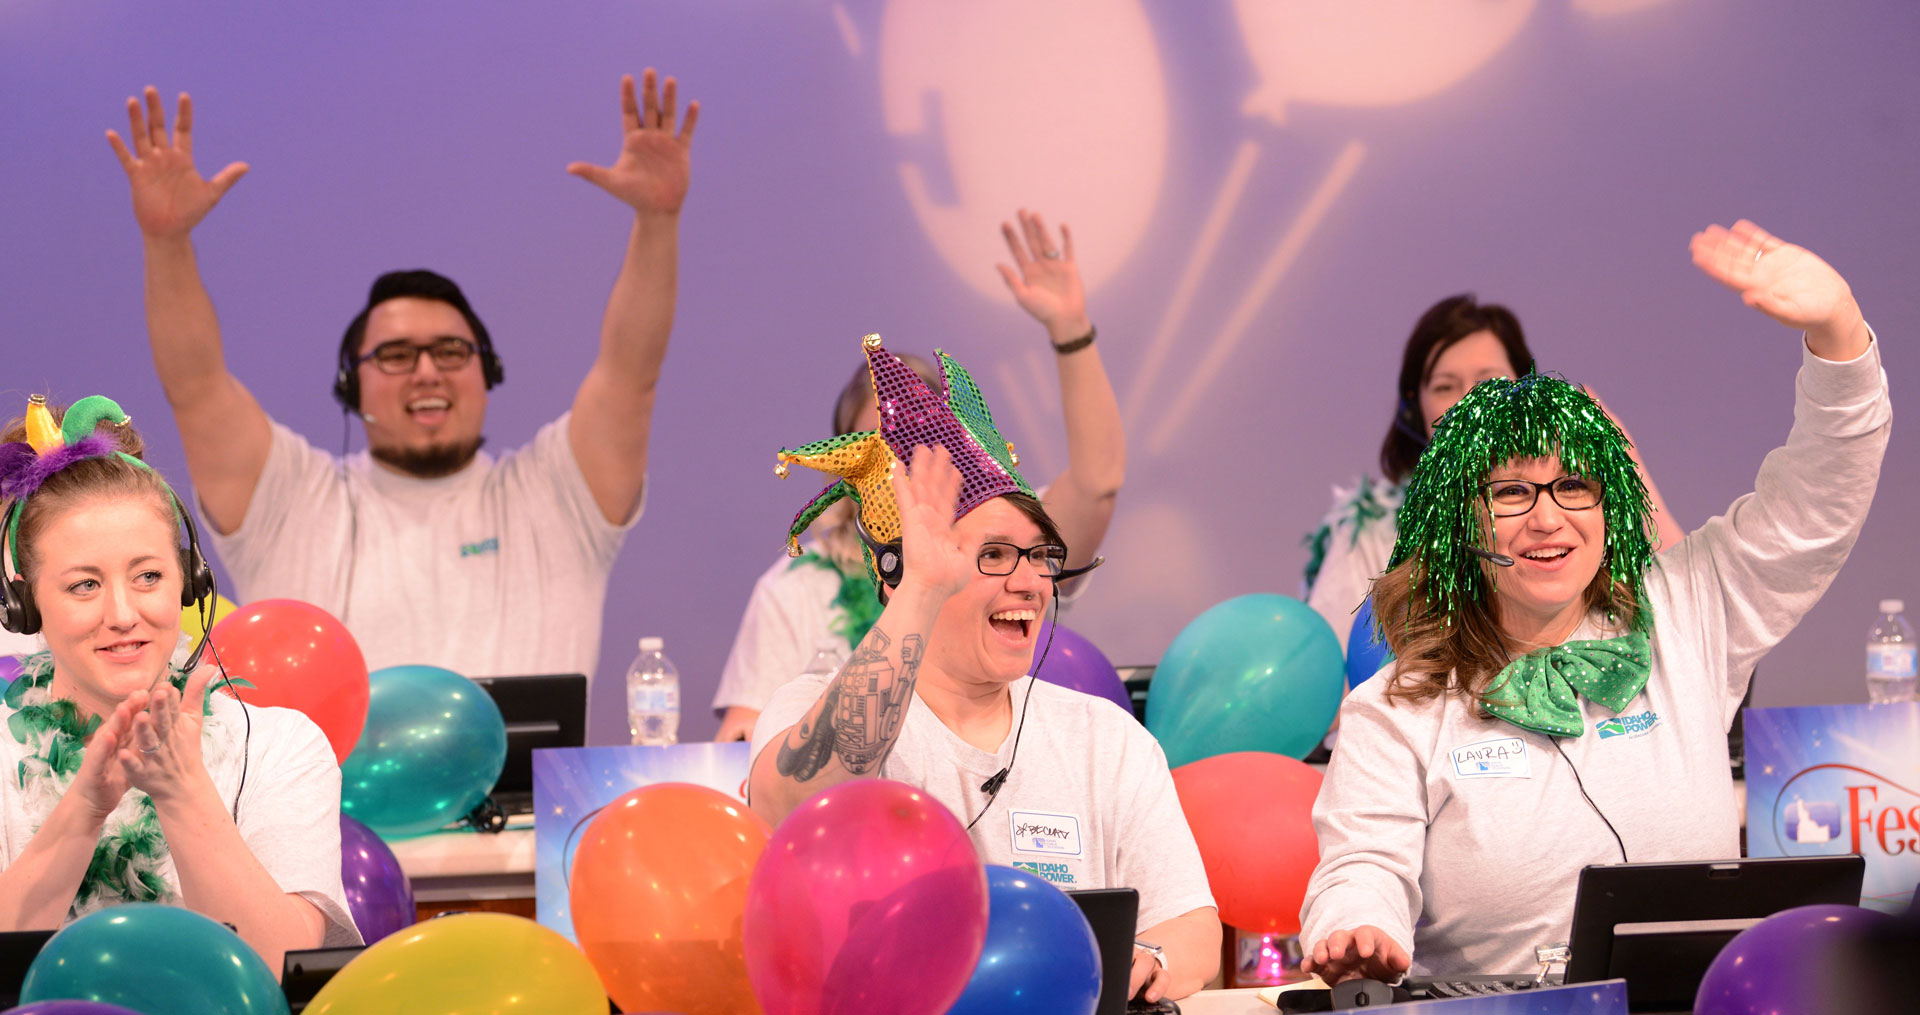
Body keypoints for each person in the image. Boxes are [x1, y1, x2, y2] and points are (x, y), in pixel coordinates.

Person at [1298, 220, 1888, 981]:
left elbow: (1815, 507)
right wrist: (1360, 927)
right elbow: (1362, 861)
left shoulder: (1685, 612)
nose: (1548, 517)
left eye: (1573, 485)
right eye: (1511, 491)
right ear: (1459, 519)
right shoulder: (1398, 707)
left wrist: (1838, 332)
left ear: (1613, 504)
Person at [106, 71, 697, 679]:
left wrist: (657, 223)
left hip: (528, 781)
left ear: (487, 372)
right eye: (395, 356)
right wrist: (167, 243)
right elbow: (197, 386)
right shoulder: (289, 500)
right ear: (351, 385)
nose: (425, 373)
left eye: (450, 352)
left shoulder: (558, 496)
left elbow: (632, 373)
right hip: (323, 779)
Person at [748, 337, 1215, 1004]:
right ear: (896, 574)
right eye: (994, 554)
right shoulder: (811, 705)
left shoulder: (1104, 740)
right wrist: (921, 589)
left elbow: (1191, 920)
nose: (1028, 581)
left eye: (1039, 555)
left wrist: (1153, 959)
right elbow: (794, 803)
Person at [713, 210, 1124, 742]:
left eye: (926, 447)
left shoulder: (1008, 545)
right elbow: (742, 744)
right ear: (853, 471)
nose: (905, 472)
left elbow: (1097, 483)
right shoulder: (797, 591)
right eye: (885, 456)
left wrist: (1070, 332)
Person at [0, 395, 360, 974]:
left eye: (148, 576)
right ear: (24, 604)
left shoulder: (281, 748)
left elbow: (285, 968)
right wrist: (85, 812)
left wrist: (182, 793)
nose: (122, 613)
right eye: (83, 585)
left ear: (188, 581)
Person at [1303, 295, 1684, 653]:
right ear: (1412, 409)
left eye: (1490, 383)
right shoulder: (1369, 529)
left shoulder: (1575, 509)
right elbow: (1324, 680)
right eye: (1444, 386)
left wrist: (1623, 462)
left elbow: (1680, 601)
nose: (1470, 402)